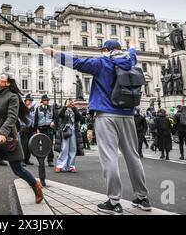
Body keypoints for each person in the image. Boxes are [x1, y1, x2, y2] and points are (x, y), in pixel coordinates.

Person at [44, 39, 151, 215]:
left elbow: (77, 62)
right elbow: (133, 52)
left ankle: (114, 201)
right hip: (128, 114)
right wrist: (131, 46)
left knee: (109, 157)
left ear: (105, 50)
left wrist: (54, 53)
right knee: (133, 156)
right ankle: (142, 198)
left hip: (106, 114)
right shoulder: (130, 60)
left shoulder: (102, 62)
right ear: (119, 49)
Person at [0, 73, 43, 215]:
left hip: (8, 137)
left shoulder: (13, 97)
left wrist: (3, 132)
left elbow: (12, 116)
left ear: (8, 83)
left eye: (1, 78)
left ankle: (35, 185)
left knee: (18, 170)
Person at [54, 99, 84, 172]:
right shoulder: (62, 109)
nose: (70, 103)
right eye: (68, 102)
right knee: (64, 148)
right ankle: (60, 165)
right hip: (65, 130)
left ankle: (71, 166)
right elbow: (59, 115)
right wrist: (65, 106)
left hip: (73, 130)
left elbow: (80, 118)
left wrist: (74, 107)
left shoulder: (74, 110)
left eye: (71, 102)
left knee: (73, 148)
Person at [33, 95, 56, 167]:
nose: (47, 101)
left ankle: (50, 160)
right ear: (42, 101)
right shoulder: (38, 109)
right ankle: (41, 160)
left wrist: (53, 122)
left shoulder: (51, 108)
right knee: (41, 145)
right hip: (41, 129)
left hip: (49, 129)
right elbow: (36, 120)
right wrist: (36, 129)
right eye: (46, 100)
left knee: (49, 144)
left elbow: (55, 118)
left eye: (48, 100)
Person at [19, 94, 36, 167]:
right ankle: (21, 160)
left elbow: (33, 118)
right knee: (24, 145)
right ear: (25, 101)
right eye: (29, 100)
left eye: (31, 101)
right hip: (24, 128)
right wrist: (29, 109)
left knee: (29, 145)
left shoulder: (32, 108)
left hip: (30, 128)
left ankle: (27, 159)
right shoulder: (23, 108)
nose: (30, 102)